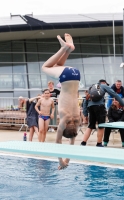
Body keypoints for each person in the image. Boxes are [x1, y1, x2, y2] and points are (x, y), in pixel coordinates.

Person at [42, 33, 80, 170]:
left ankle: (68, 49)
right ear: (63, 128)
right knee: (45, 67)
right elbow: (58, 142)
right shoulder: (63, 120)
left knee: (57, 65)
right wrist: (60, 161)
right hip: (67, 77)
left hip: (76, 75)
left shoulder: (77, 121)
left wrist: (66, 161)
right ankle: (64, 48)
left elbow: (72, 143)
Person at [80, 79, 124, 147]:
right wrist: (123, 105)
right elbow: (115, 95)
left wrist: (85, 114)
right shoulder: (103, 86)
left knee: (90, 126)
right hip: (100, 107)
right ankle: (99, 143)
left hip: (91, 107)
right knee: (101, 125)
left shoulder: (91, 87)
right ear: (104, 83)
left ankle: (83, 143)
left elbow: (85, 101)